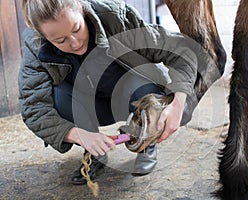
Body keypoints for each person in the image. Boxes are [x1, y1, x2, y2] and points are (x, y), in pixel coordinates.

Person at [19, 0, 197, 185]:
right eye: (60, 40)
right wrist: (78, 134)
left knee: (142, 85)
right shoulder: (35, 45)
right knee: (58, 95)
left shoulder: (115, 16)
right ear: (42, 35)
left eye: (77, 28)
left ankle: (146, 141)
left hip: (130, 95)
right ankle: (95, 151)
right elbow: (33, 107)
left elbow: (181, 50)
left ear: (81, 9)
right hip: (88, 106)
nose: (75, 42)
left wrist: (179, 102)